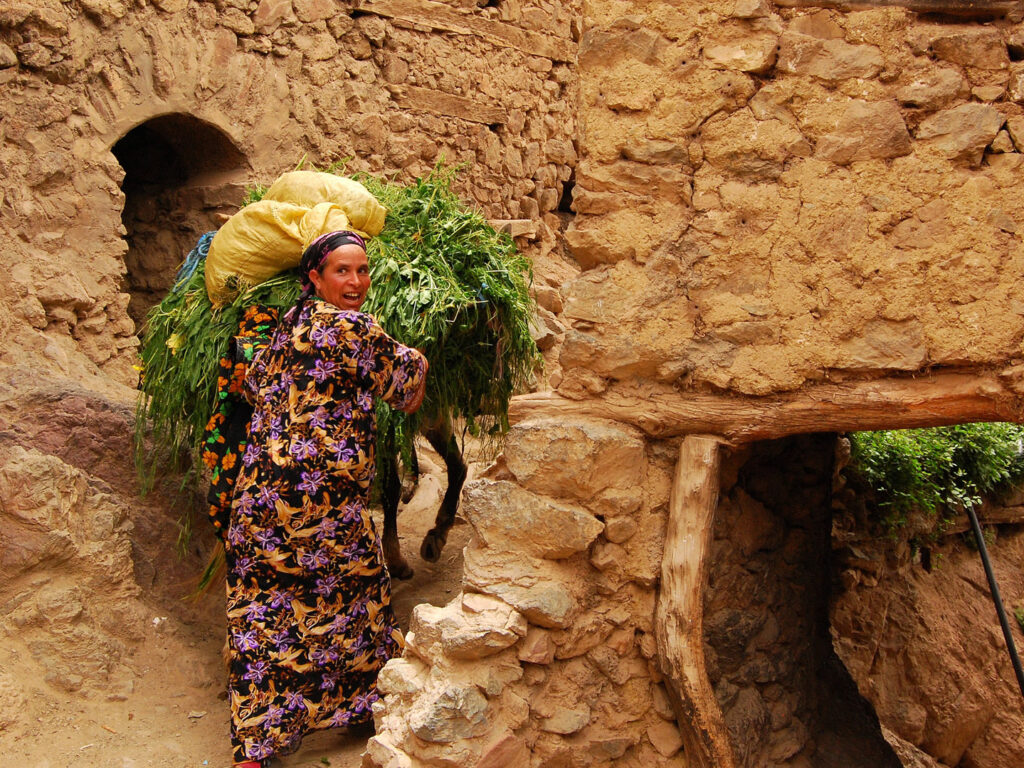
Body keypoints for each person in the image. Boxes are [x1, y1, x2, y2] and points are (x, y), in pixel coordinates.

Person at [222, 230, 428, 767]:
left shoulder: (288, 323)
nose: (356, 282)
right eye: (342, 270)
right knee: (357, 592)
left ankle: (254, 746)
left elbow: (252, 386)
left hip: (259, 499)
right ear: (314, 275)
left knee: (262, 610)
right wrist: (419, 358)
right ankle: (364, 701)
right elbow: (406, 393)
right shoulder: (354, 327)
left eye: (362, 270)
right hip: (322, 507)